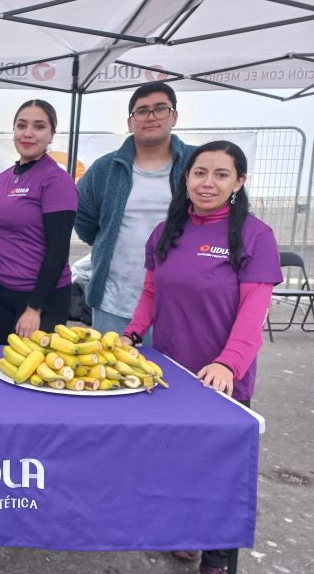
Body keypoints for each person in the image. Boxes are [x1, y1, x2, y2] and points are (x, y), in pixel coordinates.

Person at [121, 141, 282, 574]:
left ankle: (217, 560)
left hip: (222, 378)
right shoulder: (166, 231)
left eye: (221, 174)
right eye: (199, 173)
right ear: (186, 178)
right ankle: (184, 533)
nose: (208, 183)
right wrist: (132, 333)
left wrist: (229, 363)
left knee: (220, 476)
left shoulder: (255, 235)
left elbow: (254, 313)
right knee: (174, 460)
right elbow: (151, 293)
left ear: (239, 182)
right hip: (168, 370)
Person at [75, 81, 196, 342]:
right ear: (130, 122)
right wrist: (105, 241)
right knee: (113, 377)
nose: (150, 117)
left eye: (160, 109)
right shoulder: (105, 169)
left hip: (178, 303)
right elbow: (83, 218)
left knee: (171, 378)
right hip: (113, 301)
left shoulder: (197, 164)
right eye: (142, 111)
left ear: (174, 116)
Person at [0, 99, 77, 345]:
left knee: (33, 377)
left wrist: (35, 307)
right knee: (1, 366)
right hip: (1, 294)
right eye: (21, 125)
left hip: (42, 298)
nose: (28, 133)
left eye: (39, 126)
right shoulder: (1, 180)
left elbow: (58, 250)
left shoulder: (57, 180)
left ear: (51, 134)